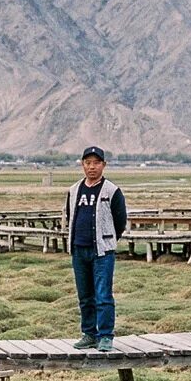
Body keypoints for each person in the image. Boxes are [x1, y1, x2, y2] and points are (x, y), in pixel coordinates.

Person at [64, 144, 127, 351]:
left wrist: (108, 240)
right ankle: (89, 334)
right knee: (85, 296)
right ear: (82, 165)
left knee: (103, 295)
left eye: (96, 163)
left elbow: (120, 220)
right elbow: (69, 215)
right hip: (79, 249)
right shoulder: (74, 190)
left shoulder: (112, 190)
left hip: (102, 251)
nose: (92, 167)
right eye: (88, 163)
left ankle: (106, 335)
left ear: (104, 165)